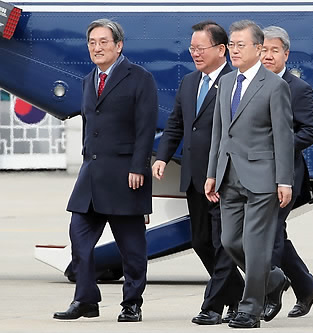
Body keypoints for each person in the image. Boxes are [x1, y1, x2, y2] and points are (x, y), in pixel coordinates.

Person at [53, 18, 158, 322]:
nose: (97, 48)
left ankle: (132, 303)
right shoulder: (88, 80)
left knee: (132, 248)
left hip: (127, 175)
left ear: (118, 46)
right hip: (92, 177)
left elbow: (145, 127)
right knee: (79, 237)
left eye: (103, 42)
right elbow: (90, 126)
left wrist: (139, 166)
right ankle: (86, 299)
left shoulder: (140, 78)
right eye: (92, 43)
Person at [152, 20, 244, 325]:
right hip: (194, 176)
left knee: (222, 243)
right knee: (201, 241)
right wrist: (163, 156)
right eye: (191, 48)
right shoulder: (189, 82)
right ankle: (238, 295)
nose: (195, 53)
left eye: (200, 48)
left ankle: (213, 306)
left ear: (221, 50)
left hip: (223, 178)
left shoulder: (235, 82)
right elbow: (177, 124)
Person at [205, 20, 294, 329]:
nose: (233, 50)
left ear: (258, 48)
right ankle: (272, 279)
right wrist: (212, 172)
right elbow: (220, 132)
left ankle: (250, 309)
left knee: (255, 246)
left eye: (240, 45)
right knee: (230, 241)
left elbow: (284, 137)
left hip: (262, 178)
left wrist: (284, 180)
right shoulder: (227, 83)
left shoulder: (274, 86)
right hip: (228, 175)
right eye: (231, 45)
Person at [260, 26, 313, 320]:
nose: (268, 55)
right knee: (275, 235)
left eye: (274, 50)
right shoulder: (250, 85)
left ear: (286, 54)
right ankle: (307, 287)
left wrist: (278, 147)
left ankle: (268, 292)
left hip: (286, 176)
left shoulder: (298, 89)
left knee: (269, 234)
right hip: (253, 174)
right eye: (263, 49)